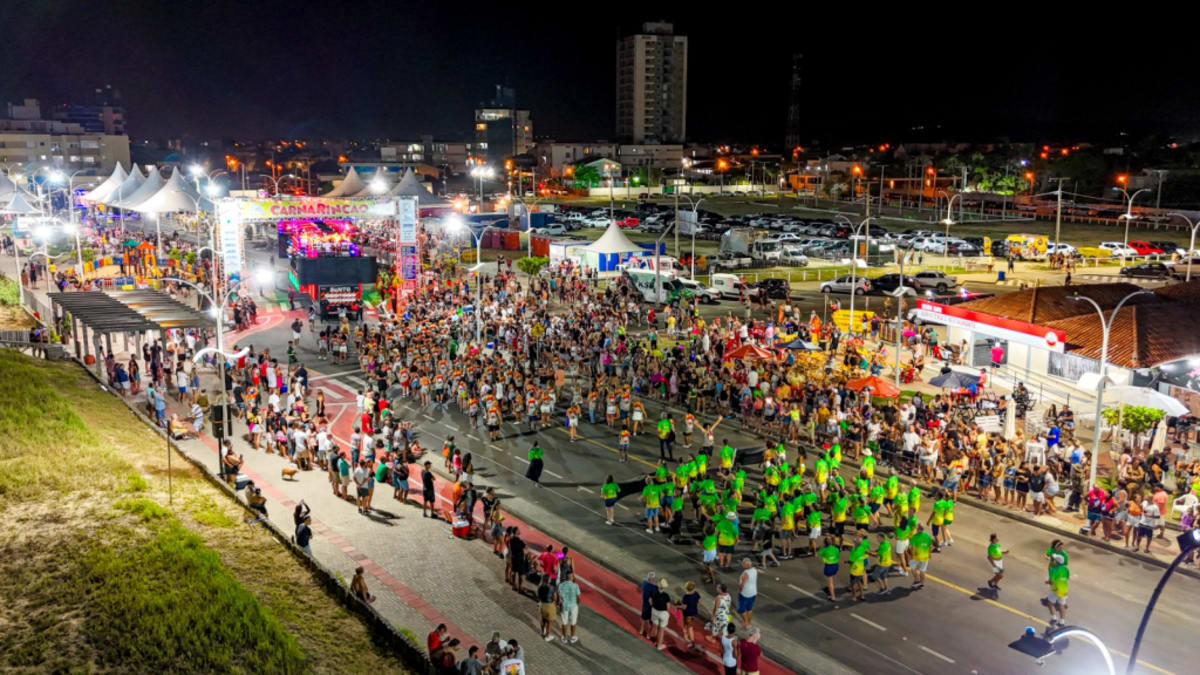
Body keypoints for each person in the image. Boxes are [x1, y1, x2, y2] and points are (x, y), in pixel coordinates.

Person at [557, 570, 582, 644]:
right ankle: (572, 637)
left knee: (564, 622)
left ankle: (564, 637)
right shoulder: (576, 585)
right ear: (572, 577)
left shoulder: (561, 585)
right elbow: (579, 598)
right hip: (574, 606)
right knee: (573, 622)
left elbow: (559, 597)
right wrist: (577, 603)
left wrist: (560, 604)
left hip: (565, 606)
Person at [649, 577, 672, 650]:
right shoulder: (666, 596)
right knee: (661, 630)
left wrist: (654, 605)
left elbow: (650, 601)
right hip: (663, 613)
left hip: (654, 611)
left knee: (654, 625)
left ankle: (650, 636)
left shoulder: (653, 593)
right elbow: (668, 607)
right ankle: (659, 645)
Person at [908, 524, 933, 590]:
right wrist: (930, 554)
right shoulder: (928, 536)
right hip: (925, 557)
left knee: (913, 568)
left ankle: (916, 580)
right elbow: (930, 546)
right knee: (922, 570)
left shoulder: (915, 537)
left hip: (917, 556)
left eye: (916, 528)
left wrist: (912, 556)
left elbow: (911, 548)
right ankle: (921, 583)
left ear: (918, 529)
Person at [536, 573, 558, 642]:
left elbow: (538, 596)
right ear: (548, 580)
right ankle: (547, 636)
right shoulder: (551, 587)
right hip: (549, 606)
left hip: (542, 605)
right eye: (550, 579)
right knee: (549, 622)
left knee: (543, 620)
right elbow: (555, 597)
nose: (550, 580)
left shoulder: (540, 586)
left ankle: (542, 632)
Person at [737, 557, 758, 627]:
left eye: (743, 564)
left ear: (746, 565)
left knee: (742, 609)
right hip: (753, 592)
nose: (742, 565)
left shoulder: (745, 573)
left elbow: (742, 585)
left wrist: (740, 590)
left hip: (745, 594)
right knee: (749, 609)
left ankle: (746, 623)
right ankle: (749, 622)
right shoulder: (754, 570)